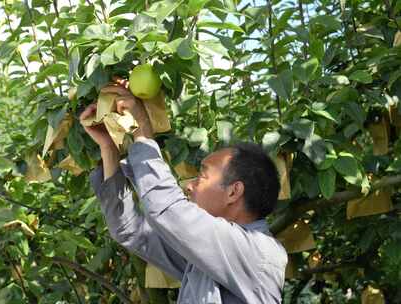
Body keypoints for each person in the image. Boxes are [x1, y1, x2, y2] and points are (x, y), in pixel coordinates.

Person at [80, 81, 288, 303]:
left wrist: (142, 127)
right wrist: (108, 149)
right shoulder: (209, 257)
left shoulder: (258, 253)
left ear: (233, 192)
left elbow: (167, 209)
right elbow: (131, 230)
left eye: (202, 176)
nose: (188, 185)